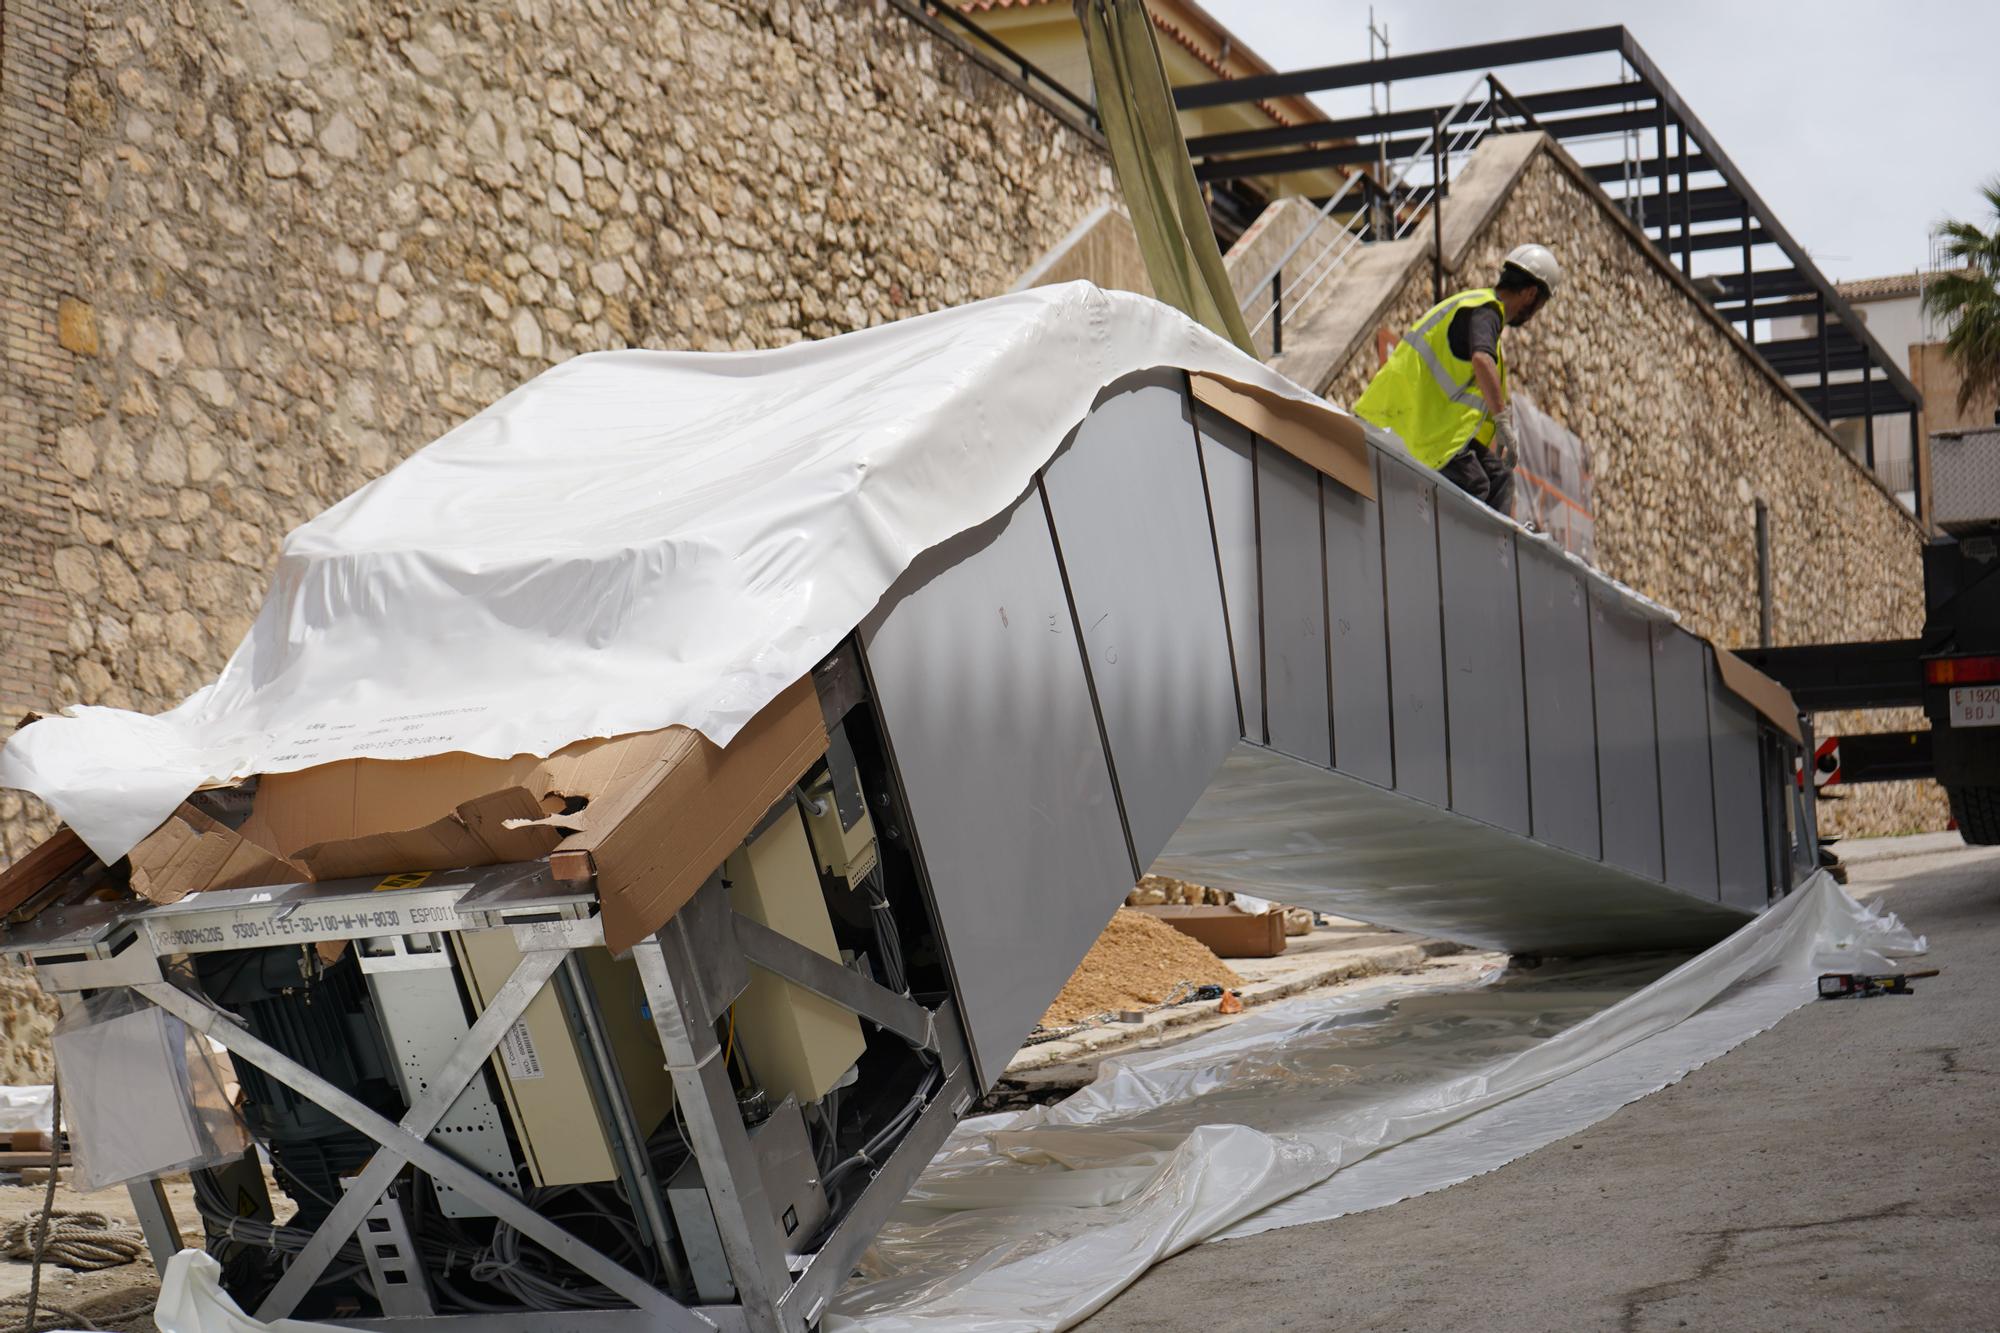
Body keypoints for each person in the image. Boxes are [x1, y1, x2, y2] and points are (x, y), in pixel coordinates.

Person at [1353, 243, 1563, 514]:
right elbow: (1481, 360)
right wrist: (1503, 422)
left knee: (1499, 478)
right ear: (1532, 294)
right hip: (1412, 427)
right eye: (1540, 304)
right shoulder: (1485, 311)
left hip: (1427, 424)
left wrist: (1496, 436)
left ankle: (1495, 552)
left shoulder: (1480, 313)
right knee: (1475, 484)